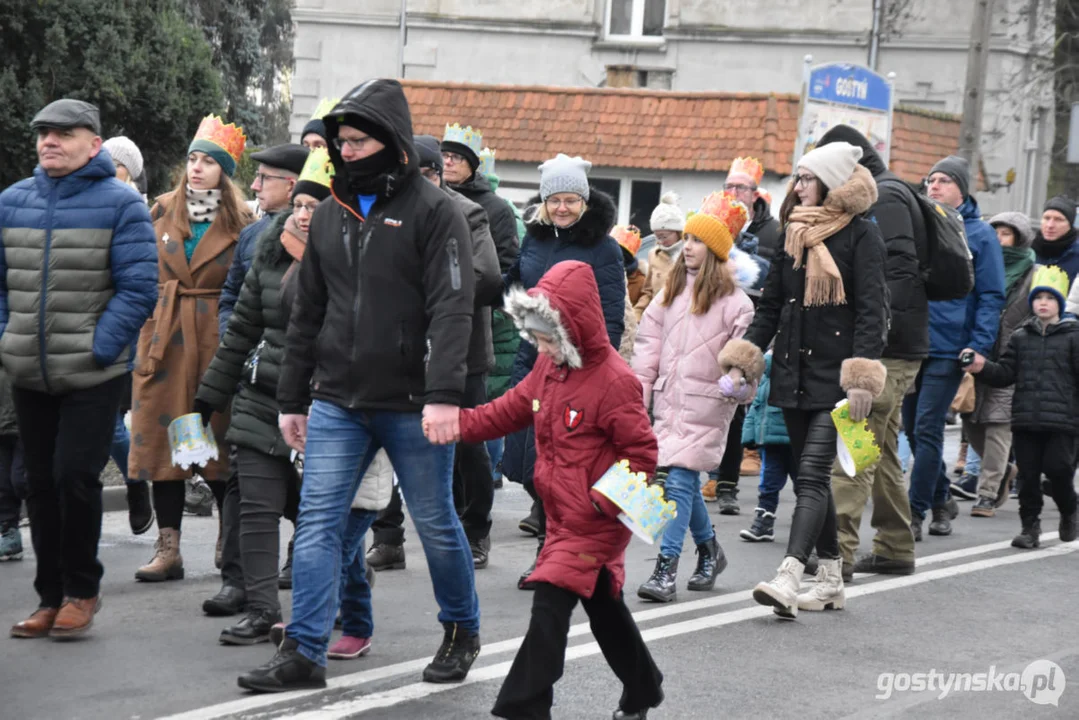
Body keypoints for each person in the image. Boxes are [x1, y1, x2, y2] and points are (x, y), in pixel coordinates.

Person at [237, 79, 480, 693]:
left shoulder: (436, 210)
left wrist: (446, 395)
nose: (346, 151)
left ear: (392, 142)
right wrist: (292, 399)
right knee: (317, 522)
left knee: (435, 522)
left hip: (412, 402)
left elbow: (454, 306)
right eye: (340, 141)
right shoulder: (330, 214)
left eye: (359, 140)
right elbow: (307, 312)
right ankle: (304, 651)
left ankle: (461, 630)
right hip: (337, 399)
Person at [431, 260, 664, 720]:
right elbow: (507, 409)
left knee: (549, 608)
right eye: (535, 336)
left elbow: (642, 455)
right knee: (604, 609)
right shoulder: (548, 368)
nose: (539, 346)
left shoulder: (615, 381)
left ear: (572, 328)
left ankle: (524, 707)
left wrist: (603, 501)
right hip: (562, 516)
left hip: (596, 519)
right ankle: (642, 687)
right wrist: (457, 424)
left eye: (546, 337)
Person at [2, 99, 157, 638]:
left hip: (93, 373)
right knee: (37, 483)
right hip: (28, 369)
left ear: (94, 143)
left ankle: (81, 590)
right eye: (43, 132)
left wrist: (101, 347)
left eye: (63, 133)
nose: (49, 141)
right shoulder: (11, 201)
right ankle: (49, 597)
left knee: (75, 477)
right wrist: (7, 338)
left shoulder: (120, 204)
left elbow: (140, 288)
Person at [719, 141, 888, 619]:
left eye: (807, 179)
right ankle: (832, 579)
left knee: (813, 474)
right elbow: (771, 306)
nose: (798, 187)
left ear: (831, 183)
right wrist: (745, 359)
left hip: (836, 379)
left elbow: (874, 311)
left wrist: (861, 376)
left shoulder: (862, 236)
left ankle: (790, 574)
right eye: (797, 178)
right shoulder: (793, 233)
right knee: (804, 475)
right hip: (792, 372)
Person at [194, 147, 332, 645]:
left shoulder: (357, 262)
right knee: (255, 505)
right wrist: (208, 397)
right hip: (261, 396)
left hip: (326, 403)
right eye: (298, 204)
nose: (300, 214)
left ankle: (342, 592)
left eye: (315, 208)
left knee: (322, 513)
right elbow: (242, 329)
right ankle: (261, 610)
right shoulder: (268, 249)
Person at [366, 135, 501, 570]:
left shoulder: (467, 212)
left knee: (465, 443)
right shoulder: (385, 211)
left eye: (425, 175)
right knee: (382, 440)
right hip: (397, 346)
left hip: (458, 349)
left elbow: (486, 277)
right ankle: (388, 538)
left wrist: (425, 289)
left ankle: (475, 529)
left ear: (437, 176)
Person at [129, 115, 252, 584]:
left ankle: (228, 538)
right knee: (166, 445)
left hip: (216, 341)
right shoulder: (160, 211)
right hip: (165, 341)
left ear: (225, 171)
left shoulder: (241, 222)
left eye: (208, 162)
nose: (197, 169)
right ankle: (169, 547)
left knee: (216, 443)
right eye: (192, 160)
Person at [502, 153, 626, 589]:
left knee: (557, 468)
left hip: (576, 367)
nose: (562, 208)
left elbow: (611, 315)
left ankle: (551, 557)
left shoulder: (604, 248)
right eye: (555, 199)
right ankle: (557, 542)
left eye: (571, 199)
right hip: (530, 361)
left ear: (585, 201)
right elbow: (514, 283)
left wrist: (594, 370)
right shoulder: (534, 241)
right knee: (525, 463)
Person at [815, 124, 929, 580]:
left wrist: (874, 339)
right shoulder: (888, 192)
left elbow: (896, 271)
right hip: (897, 344)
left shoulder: (886, 197)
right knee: (880, 452)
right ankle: (895, 547)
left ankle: (836, 557)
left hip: (889, 349)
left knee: (854, 445)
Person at [633, 192, 757, 602]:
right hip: (669, 401)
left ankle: (665, 571)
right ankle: (709, 550)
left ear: (717, 250)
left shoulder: (737, 304)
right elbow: (648, 343)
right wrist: (640, 389)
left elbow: (747, 358)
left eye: (697, 240)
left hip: (708, 406)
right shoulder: (670, 292)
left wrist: (737, 383)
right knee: (678, 482)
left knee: (680, 482)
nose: (687, 247)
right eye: (686, 238)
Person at [905, 155, 1004, 540]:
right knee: (913, 429)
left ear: (962, 188)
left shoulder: (980, 235)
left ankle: (914, 514)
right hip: (913, 342)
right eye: (930, 180)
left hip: (951, 347)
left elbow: (991, 295)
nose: (934, 186)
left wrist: (978, 346)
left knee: (927, 427)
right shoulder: (919, 227)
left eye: (943, 181)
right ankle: (943, 498)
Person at [966, 265, 1079, 548]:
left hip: (1062, 421)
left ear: (1060, 304)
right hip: (1025, 419)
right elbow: (1005, 374)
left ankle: (1070, 510)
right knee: (1027, 478)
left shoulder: (1073, 337)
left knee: (1059, 470)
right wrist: (981, 367)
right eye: (1038, 297)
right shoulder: (1020, 336)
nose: (1043, 302)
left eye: (1050, 298)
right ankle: (1030, 528)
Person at [956, 212, 1034, 517]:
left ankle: (987, 494)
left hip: (1012, 360)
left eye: (1007, 234)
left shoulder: (1033, 272)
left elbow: (1040, 309)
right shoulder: (979, 265)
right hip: (977, 352)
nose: (1000, 240)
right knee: (971, 422)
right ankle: (1004, 470)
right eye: (996, 233)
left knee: (998, 427)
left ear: (1020, 238)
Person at [101, 136, 156, 535]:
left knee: (112, 422)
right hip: (80, 324)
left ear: (128, 170)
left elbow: (140, 280)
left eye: (113, 161)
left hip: (124, 330)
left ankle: (136, 483)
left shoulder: (135, 208)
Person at [441, 124, 520, 272]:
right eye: (444, 155)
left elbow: (506, 264)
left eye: (457, 157)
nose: (448, 162)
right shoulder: (432, 197)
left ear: (471, 165)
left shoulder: (498, 209)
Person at [739, 352, 798, 542]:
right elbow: (756, 406)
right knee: (768, 484)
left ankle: (807, 521)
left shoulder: (798, 372)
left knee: (804, 484)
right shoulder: (766, 378)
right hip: (771, 442)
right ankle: (763, 522)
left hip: (795, 441)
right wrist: (749, 436)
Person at [634, 193, 685, 320]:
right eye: (657, 237)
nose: (660, 241)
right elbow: (648, 292)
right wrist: (637, 314)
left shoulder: (690, 255)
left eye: (664, 236)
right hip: (658, 321)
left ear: (678, 232)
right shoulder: (654, 255)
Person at [725, 156, 781, 262]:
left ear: (754, 195)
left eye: (741, 187)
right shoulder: (714, 226)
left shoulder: (777, 231)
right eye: (729, 187)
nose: (733, 193)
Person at [0, 366, 26, 561]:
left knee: (20, 480)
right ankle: (10, 534)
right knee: (3, 486)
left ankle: (56, 521)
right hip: (2, 431)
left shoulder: (14, 349)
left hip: (25, 429)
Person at [1033, 196, 1079, 284]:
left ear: (1070, 224)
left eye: (1058, 219)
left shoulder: (1076, 256)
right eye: (1046, 218)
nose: (1050, 225)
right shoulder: (1028, 253)